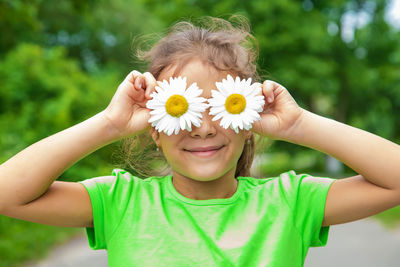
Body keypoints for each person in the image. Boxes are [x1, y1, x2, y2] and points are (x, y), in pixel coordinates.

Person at [0, 15, 399, 267]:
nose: (203, 127)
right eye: (181, 108)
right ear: (152, 127)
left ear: (249, 121)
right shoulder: (120, 204)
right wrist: (109, 124)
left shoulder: (289, 202)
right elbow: (7, 194)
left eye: (223, 106)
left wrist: (299, 126)